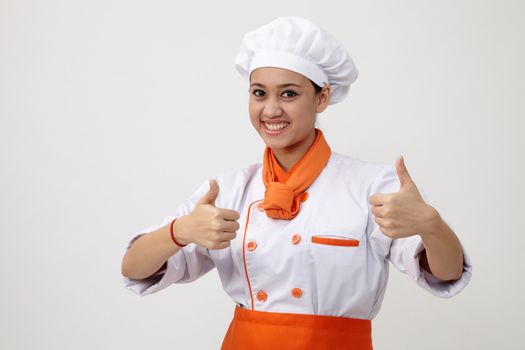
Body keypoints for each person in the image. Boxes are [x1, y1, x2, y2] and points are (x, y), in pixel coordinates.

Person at [120, 16, 473, 349]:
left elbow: (446, 273)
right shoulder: (227, 191)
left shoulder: (371, 186)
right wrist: (179, 231)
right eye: (259, 93)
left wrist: (431, 225)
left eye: (288, 94)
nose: (271, 110)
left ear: (322, 97)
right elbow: (134, 268)